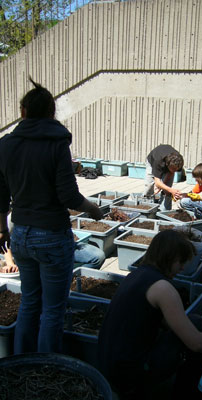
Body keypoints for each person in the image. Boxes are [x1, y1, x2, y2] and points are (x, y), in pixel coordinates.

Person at [0, 77, 103, 354]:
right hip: (51, 236)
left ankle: (21, 363)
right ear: (51, 112)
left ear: (23, 111)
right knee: (53, 310)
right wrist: (93, 209)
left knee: (30, 302)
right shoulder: (57, 143)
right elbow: (68, 196)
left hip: (20, 234)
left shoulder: (5, 145)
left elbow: (0, 197)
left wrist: (3, 231)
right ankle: (47, 368)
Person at [98, 230, 202, 399]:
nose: (183, 268)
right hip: (131, 374)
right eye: (180, 262)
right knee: (190, 349)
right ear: (168, 258)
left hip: (108, 363)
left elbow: (173, 322)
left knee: (188, 322)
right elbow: (196, 343)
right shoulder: (163, 288)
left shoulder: (137, 274)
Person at [143, 144, 184, 211]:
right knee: (149, 186)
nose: (174, 171)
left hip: (167, 161)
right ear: (167, 165)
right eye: (173, 169)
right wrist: (170, 190)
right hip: (152, 161)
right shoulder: (158, 161)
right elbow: (157, 182)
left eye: (176, 169)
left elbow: (171, 173)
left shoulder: (178, 162)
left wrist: (165, 187)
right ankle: (147, 206)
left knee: (167, 190)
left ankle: (164, 210)